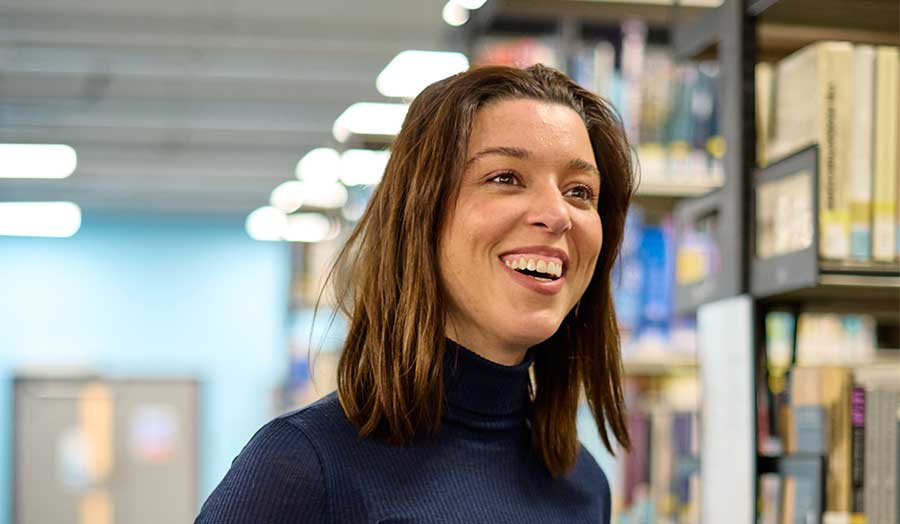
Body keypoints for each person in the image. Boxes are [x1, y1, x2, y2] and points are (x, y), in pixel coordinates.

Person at [196, 63, 635, 523]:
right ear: (419, 214)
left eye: (580, 191)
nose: (558, 214)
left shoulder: (582, 486)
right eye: (505, 177)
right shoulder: (304, 468)